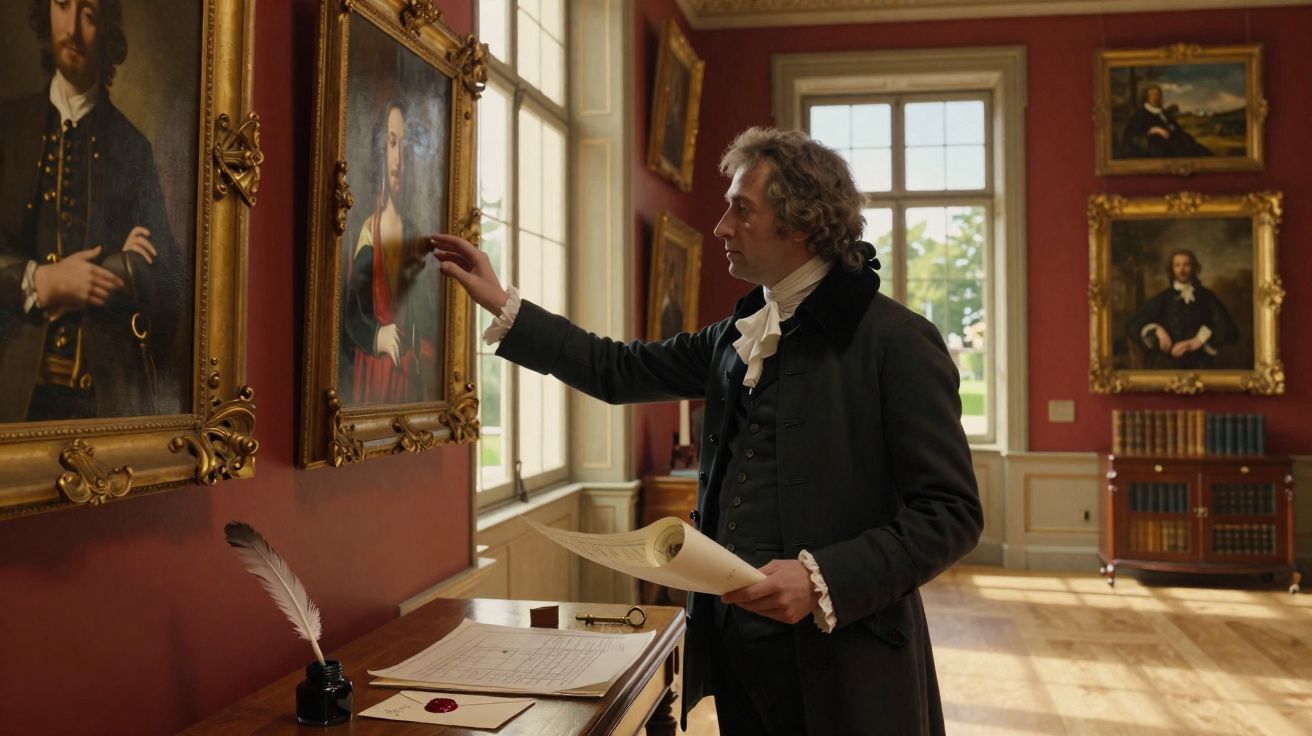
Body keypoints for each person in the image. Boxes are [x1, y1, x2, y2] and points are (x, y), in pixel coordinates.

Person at [433, 127, 982, 735]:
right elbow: (619, 369)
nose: (721, 226)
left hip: (850, 661)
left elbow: (951, 513)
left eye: (740, 210)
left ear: (800, 225)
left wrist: (820, 577)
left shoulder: (897, 343)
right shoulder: (738, 333)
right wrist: (504, 303)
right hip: (739, 651)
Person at [0, 0, 181, 421]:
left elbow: (171, 288)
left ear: (109, 32)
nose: (73, 31)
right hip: (11, 396)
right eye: (63, 6)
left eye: (90, 15)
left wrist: (124, 272)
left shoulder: (132, 148)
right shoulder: (8, 129)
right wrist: (42, 281)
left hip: (103, 403)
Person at [342, 98, 439, 404]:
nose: (399, 158)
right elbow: (350, 310)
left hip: (408, 378)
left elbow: (426, 314)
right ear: (381, 152)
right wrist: (377, 337)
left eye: (405, 147)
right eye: (392, 143)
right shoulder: (370, 230)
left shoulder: (416, 235)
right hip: (376, 373)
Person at [1126, 248, 1238, 369]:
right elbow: (1134, 324)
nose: (1182, 270)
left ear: (1194, 268)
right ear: (1172, 269)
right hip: (1167, 364)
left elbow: (1228, 328)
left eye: (1186, 265)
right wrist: (1156, 329)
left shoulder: (1206, 296)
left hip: (1201, 364)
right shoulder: (1163, 298)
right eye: (1177, 265)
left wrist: (1195, 342)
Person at [1119, 84, 1212, 159]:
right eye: (1152, 95)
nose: (1156, 97)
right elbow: (1132, 132)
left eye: (1158, 94)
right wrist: (1153, 129)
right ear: (1146, 97)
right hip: (1157, 143)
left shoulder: (1163, 112)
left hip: (1173, 138)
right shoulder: (1141, 113)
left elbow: (1174, 126)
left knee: (1190, 143)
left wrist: (1172, 127)